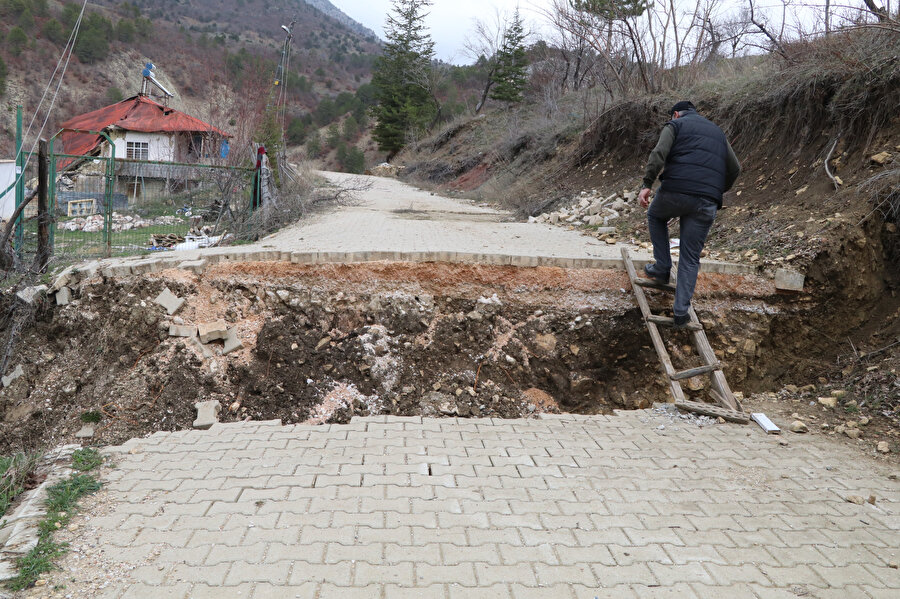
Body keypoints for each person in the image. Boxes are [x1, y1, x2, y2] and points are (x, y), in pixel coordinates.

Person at [638, 101, 741, 327]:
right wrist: (714, 189)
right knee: (690, 256)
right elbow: (735, 169)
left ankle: (662, 268)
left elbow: (659, 154)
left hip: (676, 190)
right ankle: (681, 312)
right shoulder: (717, 132)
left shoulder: (675, 125)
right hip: (708, 200)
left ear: (676, 114)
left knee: (655, 216)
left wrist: (647, 184)